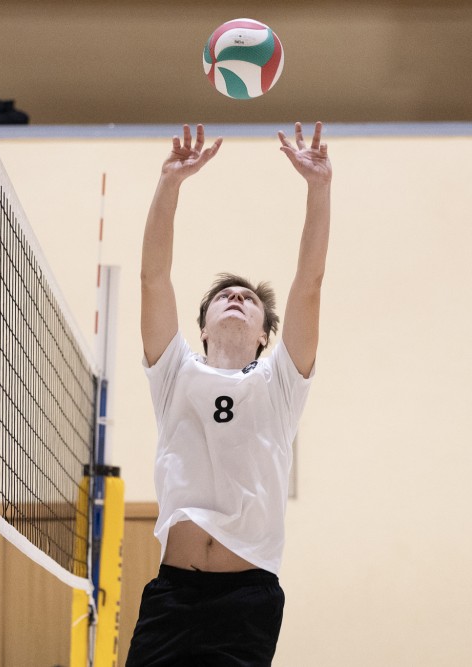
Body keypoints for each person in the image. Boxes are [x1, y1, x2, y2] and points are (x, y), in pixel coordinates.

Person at [126, 122, 331, 666]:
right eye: (224, 296)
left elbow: (309, 283)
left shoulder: (281, 383)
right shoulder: (173, 372)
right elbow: (153, 278)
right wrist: (170, 183)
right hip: (174, 592)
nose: (236, 298)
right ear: (203, 327)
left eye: (249, 299)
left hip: (247, 598)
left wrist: (319, 188)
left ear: (265, 334)